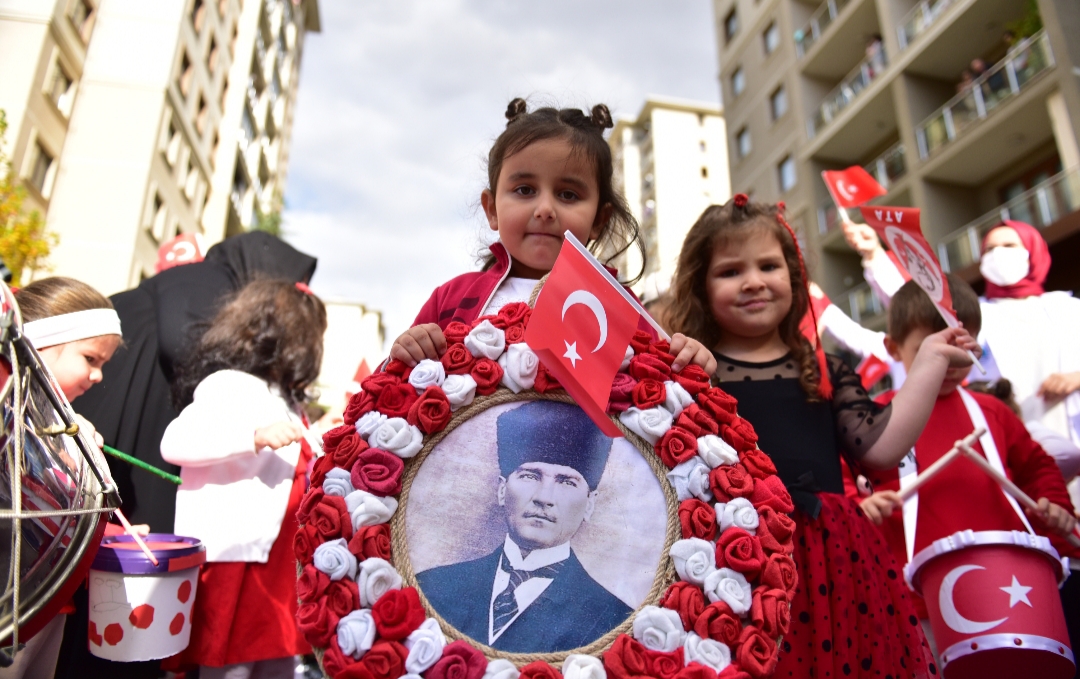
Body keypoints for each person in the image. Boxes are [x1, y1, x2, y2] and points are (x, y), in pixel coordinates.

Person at [669, 195, 979, 679]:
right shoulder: (692, 373)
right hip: (730, 562)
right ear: (700, 287)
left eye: (768, 266)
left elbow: (881, 446)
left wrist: (932, 361)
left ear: (793, 278)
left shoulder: (826, 370)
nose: (753, 281)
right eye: (730, 272)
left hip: (835, 564)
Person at [390, 98, 715, 376]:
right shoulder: (451, 299)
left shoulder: (618, 305)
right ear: (491, 209)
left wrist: (688, 360)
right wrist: (405, 350)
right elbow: (394, 386)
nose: (545, 209)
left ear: (599, 220)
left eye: (568, 194)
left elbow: (660, 386)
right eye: (525, 190)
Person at [851, 276, 1078, 655]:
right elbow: (843, 477)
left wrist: (1055, 504)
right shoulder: (873, 417)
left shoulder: (993, 411)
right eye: (936, 346)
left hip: (1008, 584)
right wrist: (857, 505)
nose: (953, 358)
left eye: (964, 344)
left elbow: (1036, 467)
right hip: (914, 592)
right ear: (892, 348)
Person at [72, 231, 317, 534]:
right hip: (127, 396)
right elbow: (183, 341)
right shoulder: (205, 278)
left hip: (142, 396)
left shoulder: (206, 279)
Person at [159, 280, 326, 679]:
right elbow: (175, 442)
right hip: (238, 557)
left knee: (277, 665)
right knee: (231, 667)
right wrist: (252, 438)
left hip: (275, 560)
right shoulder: (229, 385)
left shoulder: (286, 400)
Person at [852, 220, 1080, 481]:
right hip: (1003, 428)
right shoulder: (976, 313)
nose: (998, 255)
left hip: (1066, 427)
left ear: (1033, 250)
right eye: (989, 250)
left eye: (1008, 245)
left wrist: (1076, 379)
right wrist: (873, 256)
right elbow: (917, 306)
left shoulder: (1068, 309)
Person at [416, 401, 631, 653]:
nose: (544, 497)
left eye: (566, 482)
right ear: (502, 490)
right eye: (530, 476)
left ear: (589, 505)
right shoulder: (433, 586)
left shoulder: (614, 620)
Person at [5, 277, 122, 679]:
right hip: (11, 605)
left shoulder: (64, 423)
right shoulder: (11, 418)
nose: (98, 376)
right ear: (39, 343)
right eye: (91, 359)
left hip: (47, 602)